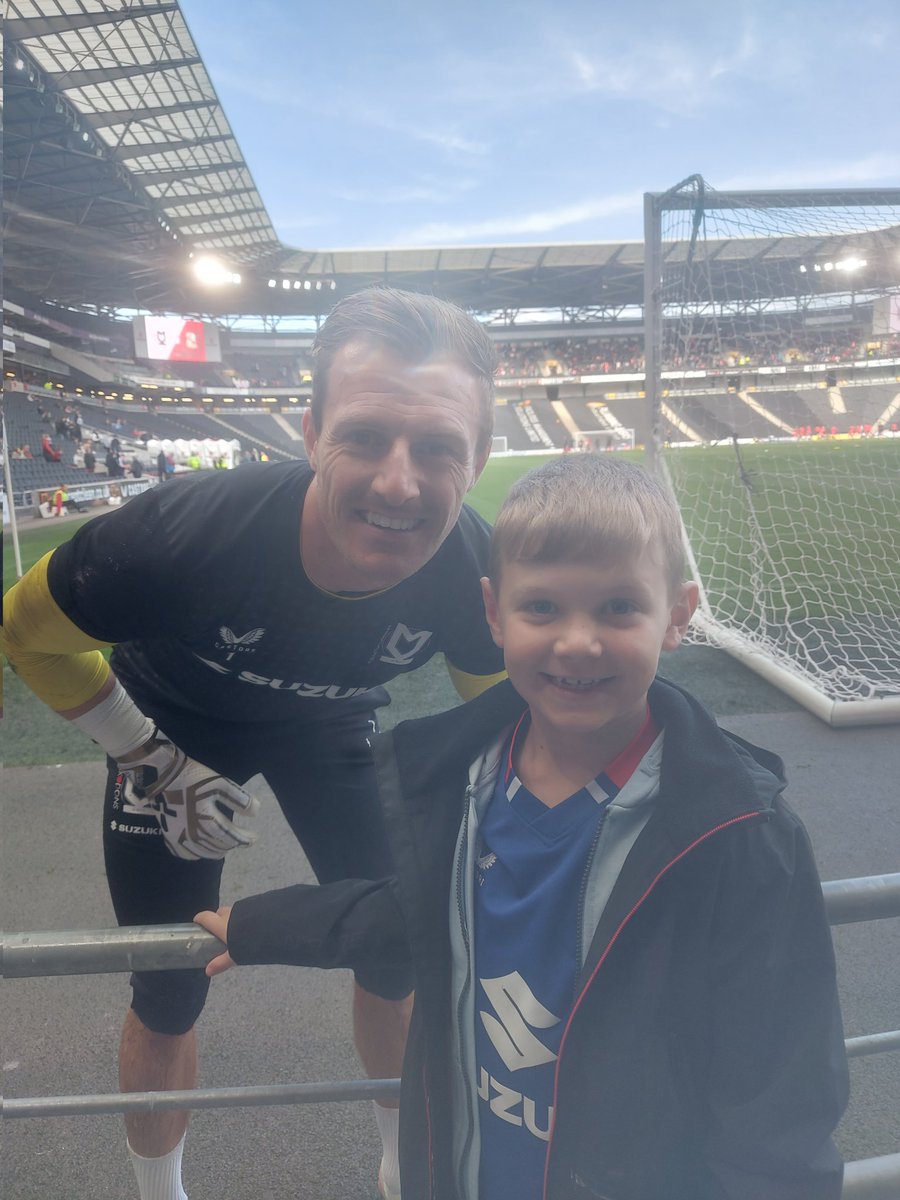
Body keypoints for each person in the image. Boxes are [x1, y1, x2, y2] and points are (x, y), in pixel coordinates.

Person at [197, 455, 848, 1200]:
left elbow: (779, 1099)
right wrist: (267, 926)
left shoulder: (738, 833)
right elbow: (422, 916)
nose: (577, 641)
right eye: (542, 608)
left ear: (677, 614)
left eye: (617, 608)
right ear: (492, 612)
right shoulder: (455, 777)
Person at [2, 287, 506, 1200]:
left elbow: (512, 732)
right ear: (310, 434)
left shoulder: (477, 569)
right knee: (168, 989)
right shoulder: (179, 537)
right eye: (364, 437)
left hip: (329, 721)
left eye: (437, 448)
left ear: (480, 460)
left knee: (400, 949)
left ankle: (404, 1172)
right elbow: (23, 629)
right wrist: (144, 755)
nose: (399, 484)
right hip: (171, 717)